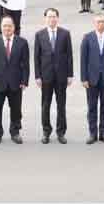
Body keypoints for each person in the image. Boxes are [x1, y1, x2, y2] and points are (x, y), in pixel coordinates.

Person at [0, 15, 29, 144]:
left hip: (16, 83)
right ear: (0, 27)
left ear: (14, 27)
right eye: (4, 26)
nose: (7, 28)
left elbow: (25, 64)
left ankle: (15, 132)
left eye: (9, 26)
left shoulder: (22, 42)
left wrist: (24, 81)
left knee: (16, 109)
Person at [34, 8, 74, 144]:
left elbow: (69, 55)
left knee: (61, 105)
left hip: (61, 76)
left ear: (58, 18)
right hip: (46, 76)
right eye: (49, 17)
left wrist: (70, 74)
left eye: (54, 16)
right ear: (45, 18)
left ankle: (61, 132)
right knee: (45, 105)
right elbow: (36, 57)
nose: (52, 19)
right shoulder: (40, 35)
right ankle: (46, 131)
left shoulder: (65, 34)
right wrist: (37, 76)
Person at [80, 12, 104, 145]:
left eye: (103, 21)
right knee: (92, 107)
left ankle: (103, 133)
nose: (100, 24)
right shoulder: (87, 38)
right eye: (98, 22)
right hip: (91, 79)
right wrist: (83, 78)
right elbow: (83, 59)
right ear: (94, 23)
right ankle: (92, 133)